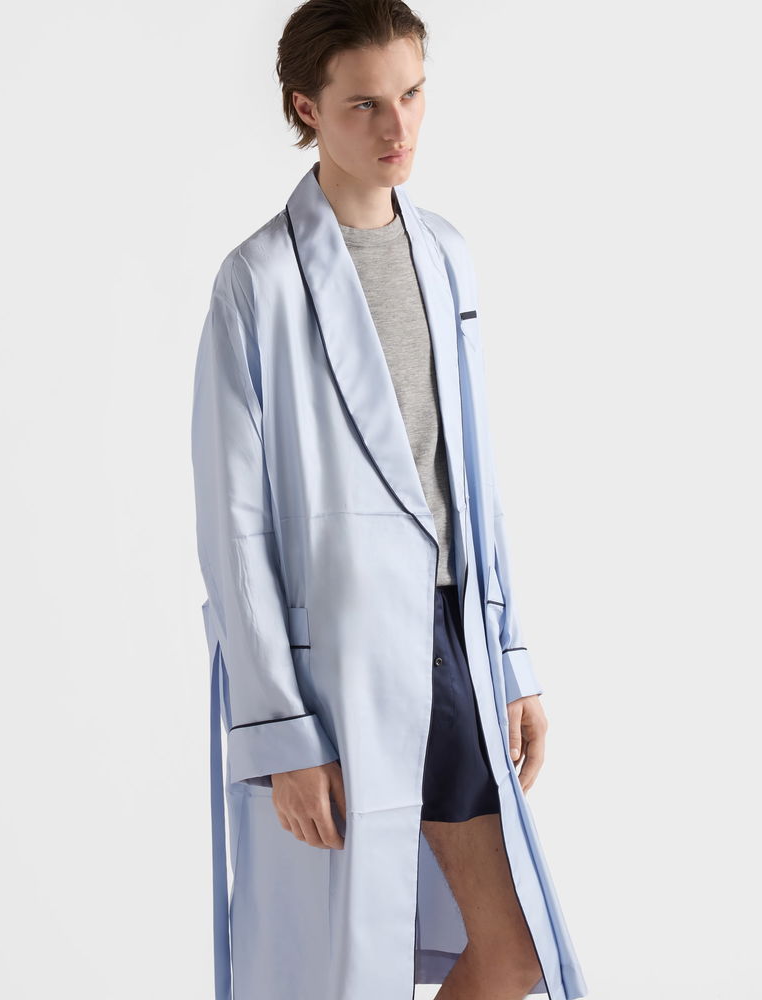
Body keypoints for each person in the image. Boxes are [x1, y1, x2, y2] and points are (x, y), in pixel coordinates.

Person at [191, 2, 588, 998]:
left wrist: (508, 657)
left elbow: (471, 483)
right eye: (365, 103)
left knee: (512, 948)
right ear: (307, 109)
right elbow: (234, 529)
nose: (397, 126)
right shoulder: (257, 284)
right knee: (374, 961)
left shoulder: (445, 253)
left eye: (411, 94)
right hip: (340, 661)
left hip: (453, 635)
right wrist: (282, 732)